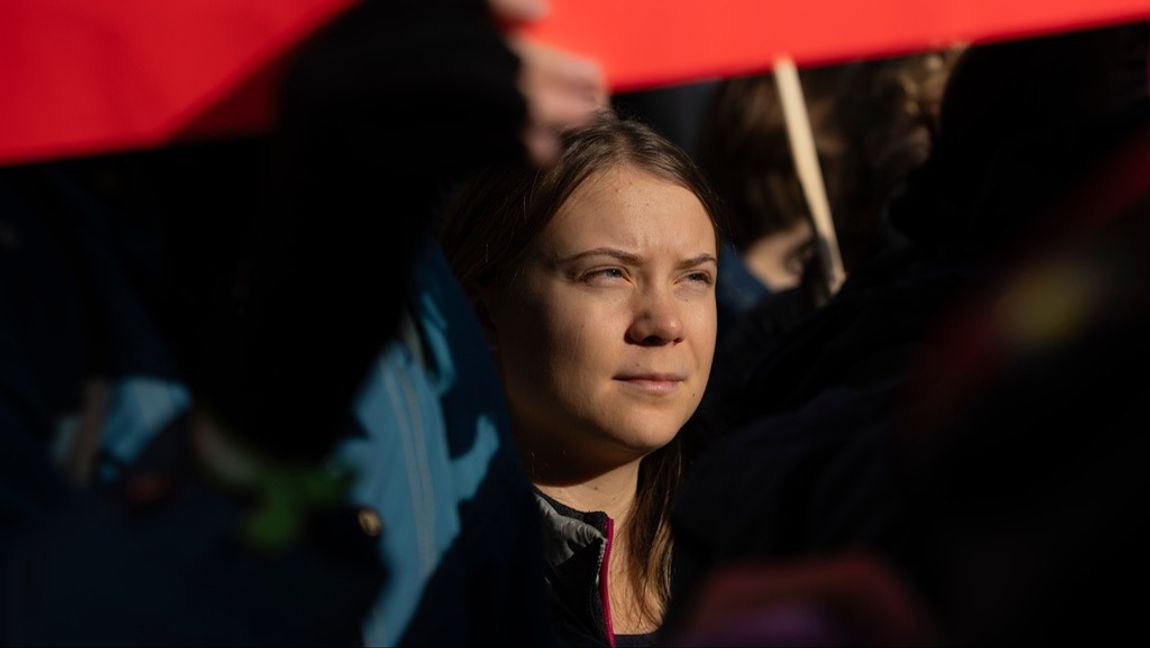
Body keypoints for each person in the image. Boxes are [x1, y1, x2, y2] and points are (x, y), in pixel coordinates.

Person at [441, 115, 721, 647]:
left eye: (694, 277)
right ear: (484, 311)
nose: (664, 324)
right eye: (608, 273)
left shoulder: (763, 554)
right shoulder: (418, 585)